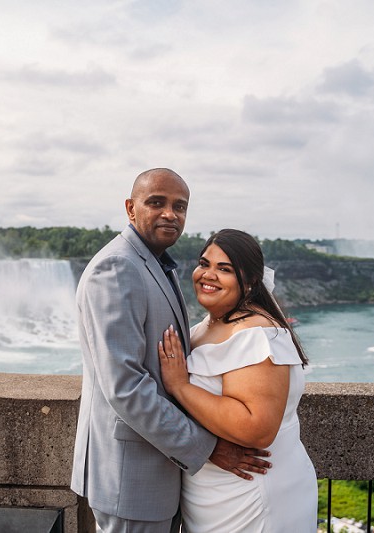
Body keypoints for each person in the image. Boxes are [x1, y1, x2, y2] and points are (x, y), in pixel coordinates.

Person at [71, 170, 272, 533]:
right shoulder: (118, 267)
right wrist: (206, 447)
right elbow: (125, 387)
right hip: (131, 476)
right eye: (157, 202)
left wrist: (254, 321)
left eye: (180, 206)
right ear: (131, 209)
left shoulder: (155, 264)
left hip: (156, 471)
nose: (170, 214)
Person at [158, 228, 318, 532]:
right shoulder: (212, 322)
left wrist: (180, 385)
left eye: (225, 269)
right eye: (205, 264)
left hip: (250, 494)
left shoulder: (254, 332)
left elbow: (256, 428)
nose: (209, 275)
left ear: (250, 281)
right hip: (212, 493)